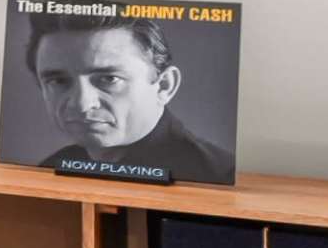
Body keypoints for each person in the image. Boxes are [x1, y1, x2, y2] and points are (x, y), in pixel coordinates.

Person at [26, 15, 230, 184]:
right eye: (58, 81)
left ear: (164, 85)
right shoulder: (53, 166)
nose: (82, 104)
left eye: (109, 79)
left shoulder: (216, 177)